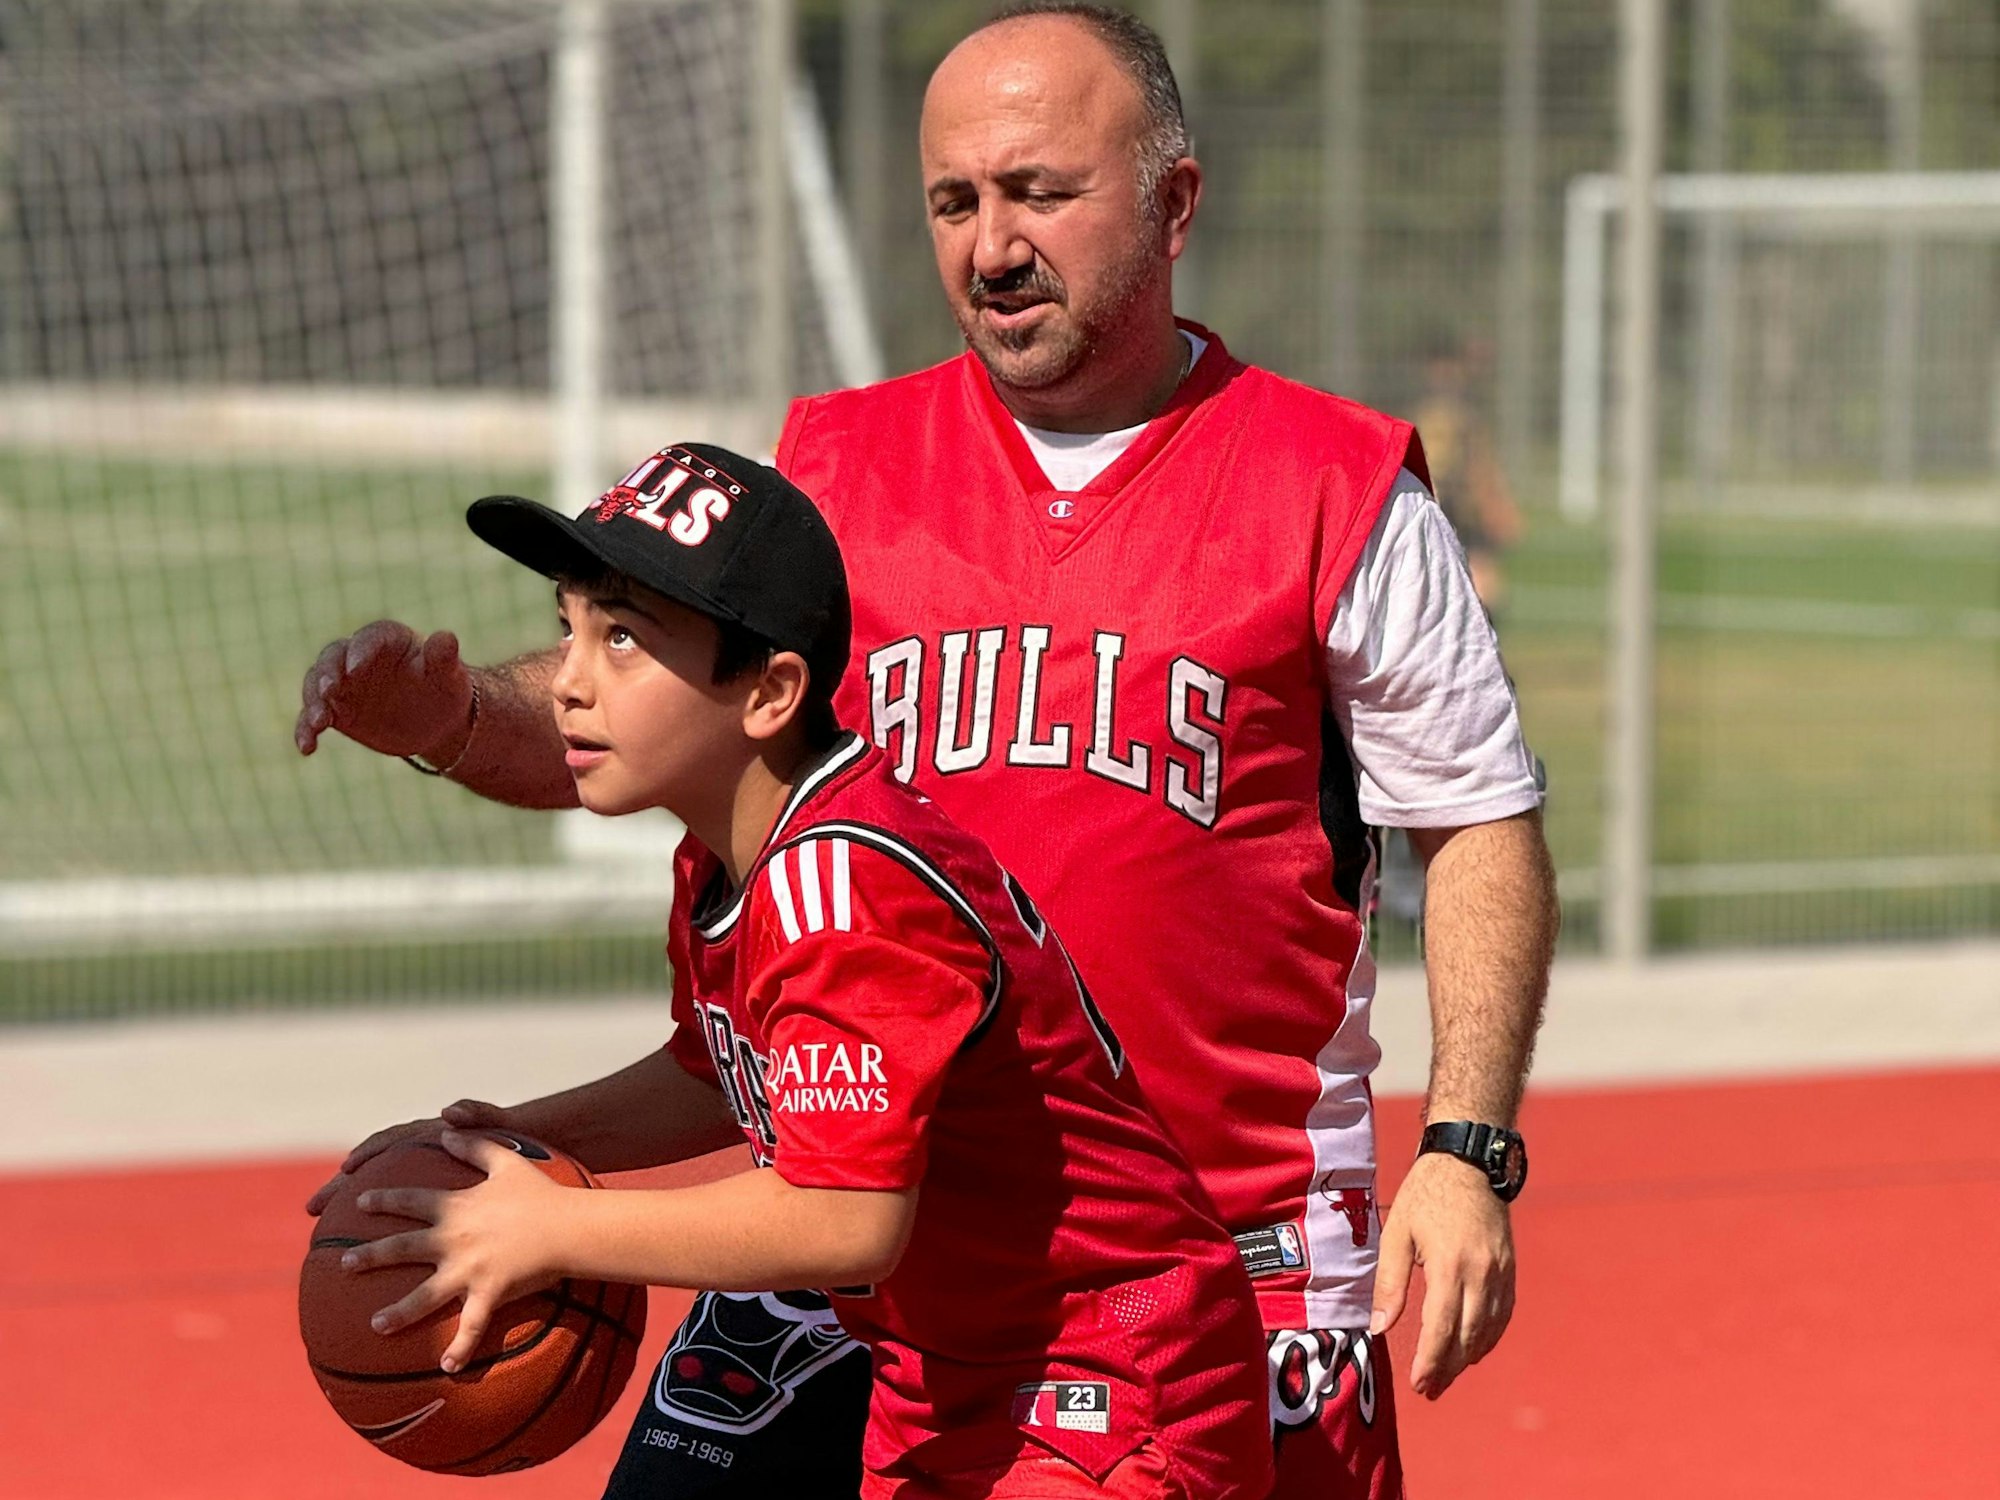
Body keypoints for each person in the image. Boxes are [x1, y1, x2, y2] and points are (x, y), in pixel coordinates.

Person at [296, 6, 1559, 1497]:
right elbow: (642, 704)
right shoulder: (834, 470)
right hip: (863, 1244)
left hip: (1207, 1265)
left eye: (1041, 191)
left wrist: (1467, 1146)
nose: (992, 244)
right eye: (955, 202)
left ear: (1175, 202)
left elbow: (1476, 824)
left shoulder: (1329, 487)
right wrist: (444, 720)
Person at [320, 442, 1275, 1500]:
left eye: (625, 638)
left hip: (1104, 1375)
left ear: (771, 692)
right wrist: (502, 1144)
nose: (570, 683)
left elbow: (842, 1216)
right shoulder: (730, 851)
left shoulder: (841, 886)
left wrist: (556, 1226)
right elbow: (714, 1077)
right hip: (950, 1372)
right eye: (567, 628)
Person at [1409, 332, 1525, 611]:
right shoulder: (1420, 410)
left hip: (1462, 508)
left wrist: (1496, 503)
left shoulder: (1466, 413)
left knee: (1486, 586)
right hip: (1434, 503)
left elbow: (1480, 464)